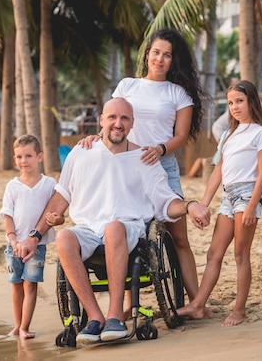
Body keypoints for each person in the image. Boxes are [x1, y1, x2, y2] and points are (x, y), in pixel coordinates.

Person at [17, 98, 210, 345]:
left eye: (124, 119)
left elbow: (166, 202)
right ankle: (95, 317)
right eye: (112, 118)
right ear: (101, 121)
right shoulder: (81, 153)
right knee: (65, 237)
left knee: (114, 228)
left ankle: (115, 315)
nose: (117, 123)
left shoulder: (144, 158)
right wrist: (34, 236)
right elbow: (61, 197)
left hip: (128, 228)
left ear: (131, 124)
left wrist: (191, 205)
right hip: (89, 228)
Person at [79, 29, 207, 305]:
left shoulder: (179, 93)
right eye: (156, 52)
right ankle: (127, 303)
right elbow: (114, 120)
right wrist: (95, 137)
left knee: (179, 237)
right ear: (147, 54)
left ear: (174, 61)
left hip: (164, 166)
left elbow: (181, 136)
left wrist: (159, 149)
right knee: (128, 230)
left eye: (167, 55)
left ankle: (197, 302)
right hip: (128, 168)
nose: (160, 59)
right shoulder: (127, 86)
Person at [177, 80, 262, 327]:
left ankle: (239, 311)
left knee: (241, 254)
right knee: (214, 253)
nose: (234, 107)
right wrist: (204, 204)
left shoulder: (260, 133)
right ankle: (198, 305)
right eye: (230, 103)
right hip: (228, 198)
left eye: (239, 101)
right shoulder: (229, 135)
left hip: (246, 196)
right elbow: (218, 172)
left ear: (251, 101)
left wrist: (252, 205)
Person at [0, 134, 62, 339]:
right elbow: (7, 215)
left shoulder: (49, 183)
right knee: (16, 285)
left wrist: (57, 221)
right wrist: (12, 240)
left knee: (30, 283)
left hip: (38, 244)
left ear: (40, 156)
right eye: (18, 157)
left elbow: (58, 215)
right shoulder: (13, 185)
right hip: (13, 245)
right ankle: (17, 326)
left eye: (28, 156)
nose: (23, 161)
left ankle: (25, 327)